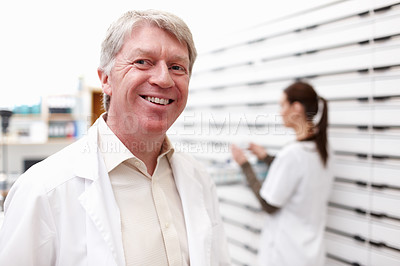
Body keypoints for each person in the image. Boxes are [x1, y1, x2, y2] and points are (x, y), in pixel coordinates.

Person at [0, 10, 230, 266]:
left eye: (177, 67)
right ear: (106, 79)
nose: (164, 79)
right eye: (143, 62)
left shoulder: (198, 178)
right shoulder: (42, 191)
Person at [231, 81, 333, 266]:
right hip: (311, 255)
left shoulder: (292, 154)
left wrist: (244, 164)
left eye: (282, 105)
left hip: (286, 255)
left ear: (296, 108)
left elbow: (269, 204)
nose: (280, 112)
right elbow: (299, 174)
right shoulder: (323, 150)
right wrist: (266, 157)